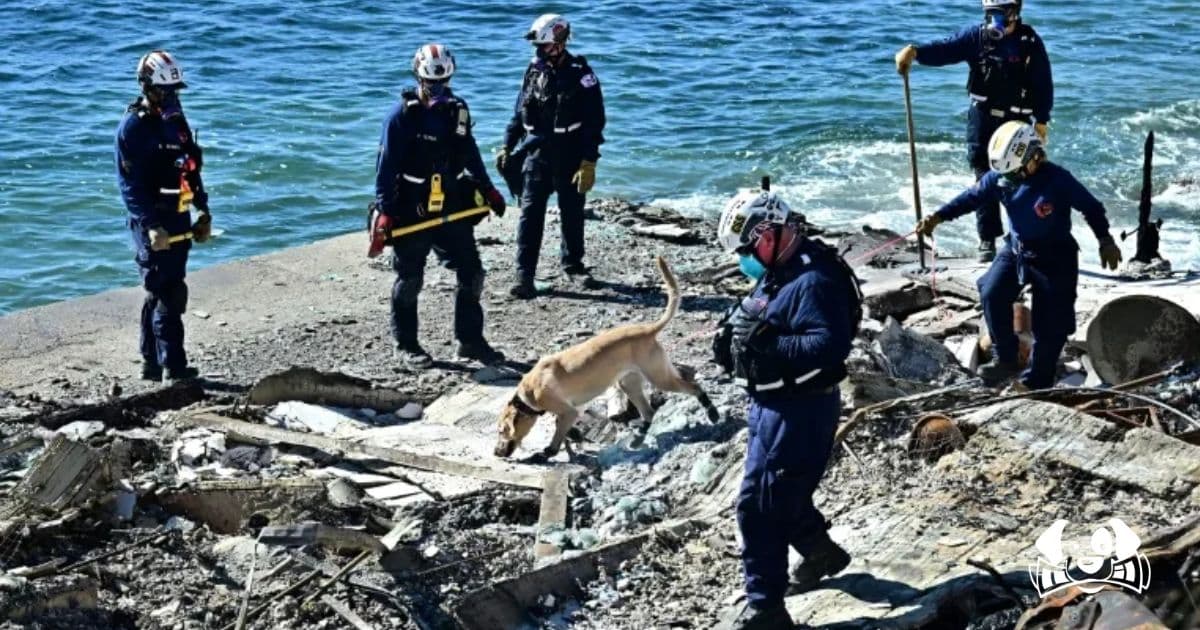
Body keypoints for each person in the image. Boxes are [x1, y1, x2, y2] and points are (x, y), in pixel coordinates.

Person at [711, 189, 860, 629]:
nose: (745, 259)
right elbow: (764, 315)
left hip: (799, 409)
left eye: (747, 248)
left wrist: (769, 344)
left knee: (759, 505)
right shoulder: (783, 267)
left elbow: (829, 344)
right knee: (783, 492)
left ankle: (766, 609)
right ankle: (820, 552)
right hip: (770, 402)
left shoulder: (815, 279)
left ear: (770, 233)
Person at [916, 121, 1122, 391]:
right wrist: (939, 216)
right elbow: (970, 198)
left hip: (1055, 256)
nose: (1009, 179)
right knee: (991, 291)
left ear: (1034, 156)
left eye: (1014, 173)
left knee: (1052, 324)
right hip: (1017, 250)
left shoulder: (1057, 179)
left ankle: (1037, 381)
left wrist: (1105, 240)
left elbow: (1092, 208)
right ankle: (1007, 357)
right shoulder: (1001, 179)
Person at [374, 43, 508, 368]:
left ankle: (470, 341)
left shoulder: (457, 112)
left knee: (473, 273)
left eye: (443, 82)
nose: (437, 89)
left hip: (450, 202)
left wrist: (488, 188)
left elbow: (470, 150)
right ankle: (406, 345)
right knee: (410, 279)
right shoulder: (401, 118)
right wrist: (385, 210)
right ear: (419, 79)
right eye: (431, 83)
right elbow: (386, 165)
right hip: (411, 206)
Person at [895, 0, 1053, 262]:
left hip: (1016, 120)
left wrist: (1042, 120)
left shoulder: (1029, 41)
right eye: (991, 15)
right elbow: (946, 50)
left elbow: (1043, 82)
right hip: (982, 117)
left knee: (1020, 178)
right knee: (984, 177)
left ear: (1015, 14)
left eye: (1001, 15)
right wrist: (916, 53)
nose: (996, 21)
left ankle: (1024, 235)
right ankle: (987, 240)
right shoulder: (976, 36)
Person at [116, 50, 213, 384]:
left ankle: (151, 363)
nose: (170, 98)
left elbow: (191, 168)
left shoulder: (177, 123)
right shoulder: (133, 128)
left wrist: (203, 211)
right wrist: (152, 225)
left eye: (174, 92)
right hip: (152, 220)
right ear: (146, 87)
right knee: (168, 291)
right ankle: (174, 367)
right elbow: (130, 186)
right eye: (163, 91)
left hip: (178, 215)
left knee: (159, 292)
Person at [499, 13, 606, 299]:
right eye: (538, 46)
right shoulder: (533, 71)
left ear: (559, 43)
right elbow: (519, 112)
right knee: (530, 213)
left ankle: (573, 265)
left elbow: (595, 120)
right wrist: (507, 145)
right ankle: (524, 275)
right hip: (538, 152)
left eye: (544, 46)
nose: (539, 51)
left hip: (571, 152)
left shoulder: (582, 74)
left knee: (572, 211)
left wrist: (589, 160)